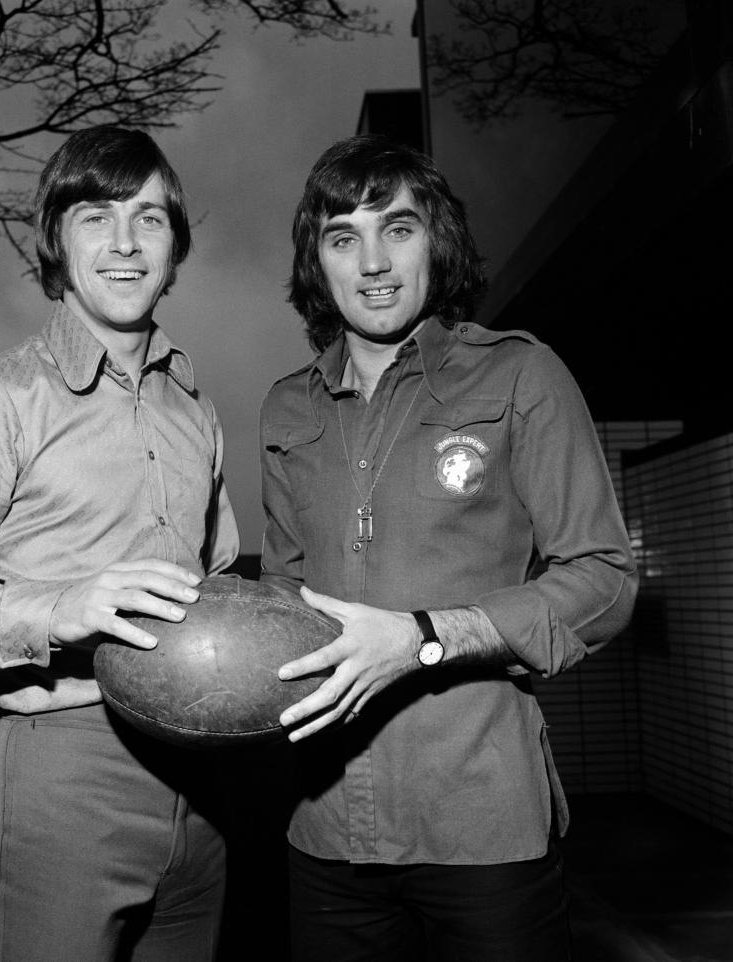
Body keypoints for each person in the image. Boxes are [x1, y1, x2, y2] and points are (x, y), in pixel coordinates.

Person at [0, 126, 239, 961]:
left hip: (202, 785)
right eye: (96, 216)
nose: (127, 244)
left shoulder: (194, 408)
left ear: (176, 247)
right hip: (62, 774)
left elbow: (216, 589)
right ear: (56, 241)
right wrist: (60, 611)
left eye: (149, 218)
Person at [258, 135, 637, 961]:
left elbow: (606, 580)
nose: (373, 262)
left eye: (397, 228)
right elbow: (284, 603)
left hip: (483, 828)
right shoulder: (286, 411)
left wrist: (427, 637)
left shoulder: (519, 376)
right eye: (342, 237)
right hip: (324, 830)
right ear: (316, 263)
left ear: (437, 240)